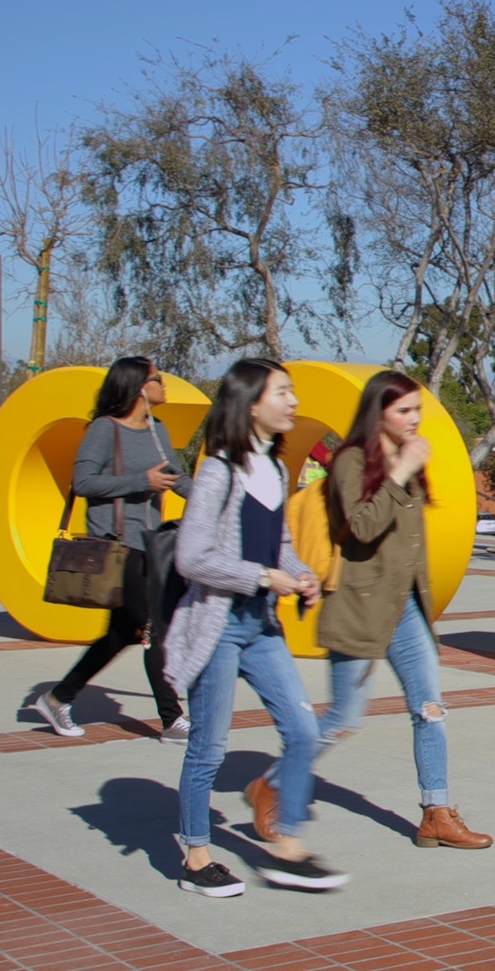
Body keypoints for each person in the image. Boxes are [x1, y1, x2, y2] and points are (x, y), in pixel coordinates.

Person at [245, 371, 492, 849]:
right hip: (358, 607)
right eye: (404, 411)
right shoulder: (349, 462)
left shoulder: (407, 459)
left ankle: (436, 812)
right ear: (378, 414)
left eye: (417, 410)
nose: (415, 419)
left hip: (406, 609)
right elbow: (361, 526)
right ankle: (272, 783)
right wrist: (400, 473)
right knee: (343, 717)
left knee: (431, 709)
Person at [162, 358, 345, 897]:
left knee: (304, 729)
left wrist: (299, 573)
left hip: (260, 626)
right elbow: (191, 558)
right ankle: (196, 858)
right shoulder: (220, 469)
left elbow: (279, 544)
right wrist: (262, 575)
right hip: (217, 626)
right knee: (208, 748)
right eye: (283, 392)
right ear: (250, 403)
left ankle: (286, 846)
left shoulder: (275, 468)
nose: (293, 402)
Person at [30, 357, 191, 742]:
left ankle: (58, 697)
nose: (164, 385)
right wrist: (141, 480)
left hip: (152, 544)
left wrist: (220, 500)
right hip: (116, 547)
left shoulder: (157, 429)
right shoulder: (104, 429)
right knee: (155, 627)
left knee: (122, 632)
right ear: (139, 387)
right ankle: (172, 720)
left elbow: (175, 478)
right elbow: (83, 482)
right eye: (158, 379)